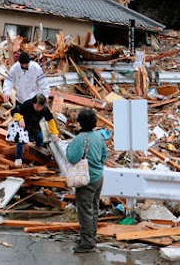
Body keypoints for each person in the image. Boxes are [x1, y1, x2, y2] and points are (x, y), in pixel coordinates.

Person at [66, 108, 108, 253]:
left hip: (86, 179)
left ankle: (87, 243)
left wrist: (68, 147)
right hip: (98, 178)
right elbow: (104, 155)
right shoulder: (99, 136)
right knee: (94, 208)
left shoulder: (80, 139)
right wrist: (98, 166)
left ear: (80, 123)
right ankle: (90, 237)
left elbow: (71, 158)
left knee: (85, 211)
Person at [9, 94, 58, 167]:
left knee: (40, 139)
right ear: (33, 103)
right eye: (37, 106)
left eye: (41, 107)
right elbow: (13, 112)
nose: (39, 108)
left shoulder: (45, 109)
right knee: (21, 142)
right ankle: (18, 159)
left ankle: (38, 157)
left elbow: (50, 120)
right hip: (24, 126)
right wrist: (20, 119)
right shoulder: (27, 104)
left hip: (35, 126)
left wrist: (55, 133)